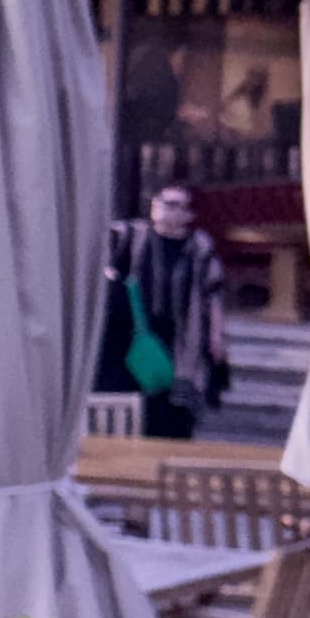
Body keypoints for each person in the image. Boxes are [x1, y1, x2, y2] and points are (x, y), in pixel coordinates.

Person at [97, 181, 232, 440]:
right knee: (132, 403)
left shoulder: (200, 248)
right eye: (159, 201)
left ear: (188, 214)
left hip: (181, 337)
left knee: (173, 408)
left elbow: (213, 293)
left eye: (171, 204)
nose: (161, 208)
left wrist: (217, 334)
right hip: (131, 335)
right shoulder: (132, 236)